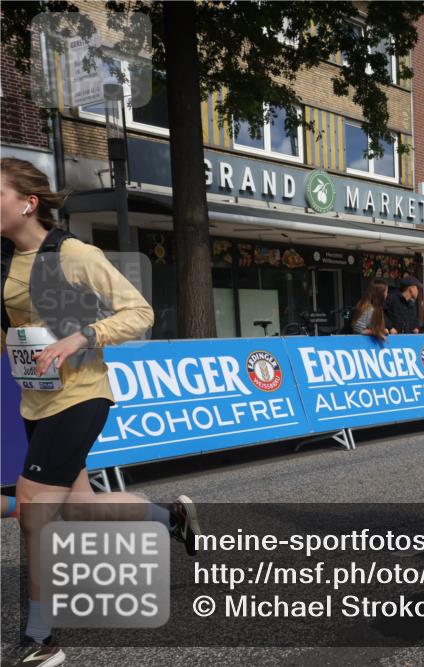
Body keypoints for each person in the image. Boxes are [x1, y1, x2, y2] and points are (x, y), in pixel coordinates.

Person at [1, 157, 200, 667]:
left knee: (32, 507)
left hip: (82, 396)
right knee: (79, 507)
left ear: (28, 202)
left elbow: (139, 311)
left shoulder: (69, 252)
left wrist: (81, 337)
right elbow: (15, 336)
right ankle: (170, 518)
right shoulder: (5, 262)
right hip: (36, 399)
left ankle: (41, 639)